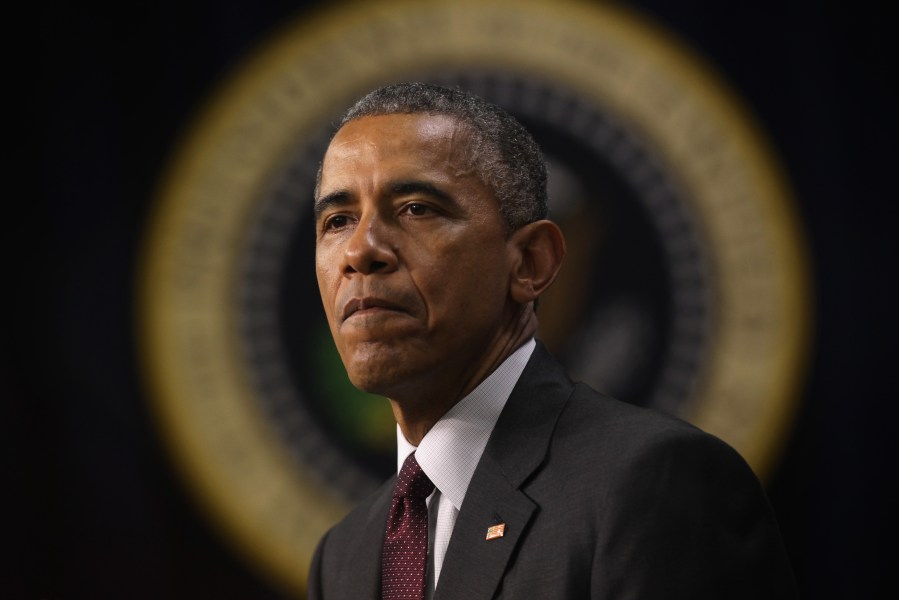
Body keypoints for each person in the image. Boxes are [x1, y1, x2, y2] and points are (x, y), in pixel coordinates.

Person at [307, 82, 796, 599]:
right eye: (337, 221)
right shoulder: (344, 556)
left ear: (531, 263)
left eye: (416, 208)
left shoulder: (651, 485)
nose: (361, 251)